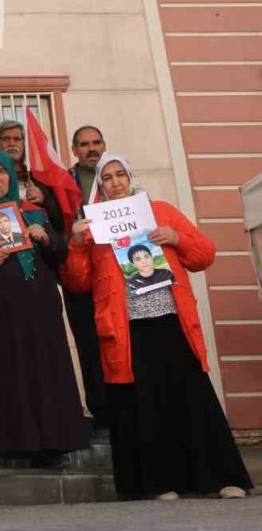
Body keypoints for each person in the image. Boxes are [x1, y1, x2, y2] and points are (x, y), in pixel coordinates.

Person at [62, 154, 252, 500]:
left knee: (193, 400)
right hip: (126, 331)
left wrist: (176, 237)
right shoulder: (93, 225)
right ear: (99, 186)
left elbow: (205, 255)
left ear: (131, 178)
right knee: (143, 408)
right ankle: (159, 483)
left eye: (121, 174)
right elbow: (77, 283)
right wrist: (75, 244)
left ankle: (221, 478)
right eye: (108, 177)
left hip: (172, 321)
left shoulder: (161, 211)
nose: (115, 181)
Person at [0, 150, 89, 469]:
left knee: (42, 372)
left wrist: (46, 237)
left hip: (38, 310)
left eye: (2, 172)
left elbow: (60, 256)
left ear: (11, 178)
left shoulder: (34, 213)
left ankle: (49, 446)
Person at [63, 124, 110, 426]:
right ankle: (101, 410)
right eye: (84, 144)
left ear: (104, 144)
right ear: (74, 150)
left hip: (117, 273)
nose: (91, 148)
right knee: (89, 344)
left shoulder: (120, 177)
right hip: (79, 273)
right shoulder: (61, 182)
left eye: (96, 142)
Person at [0, 120, 62, 233]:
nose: (12, 143)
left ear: (25, 144)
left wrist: (44, 200)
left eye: (17, 139)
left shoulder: (38, 177)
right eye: (6, 139)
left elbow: (59, 224)